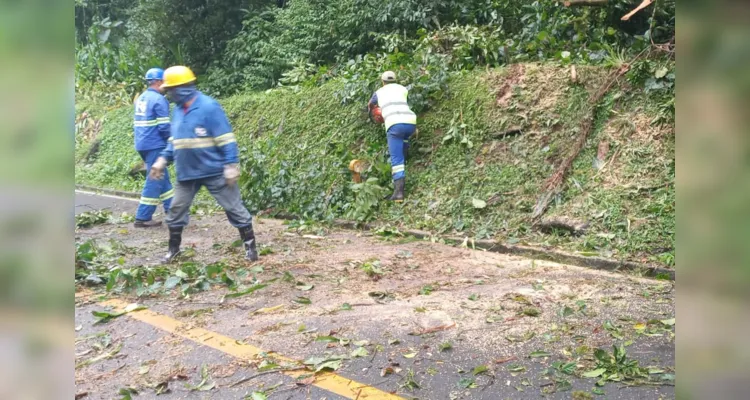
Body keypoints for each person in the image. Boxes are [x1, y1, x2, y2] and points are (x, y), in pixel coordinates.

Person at [149, 66, 259, 263]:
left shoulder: (209, 107)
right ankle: (173, 250)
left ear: (183, 88)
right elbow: (175, 141)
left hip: (214, 170)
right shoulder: (177, 111)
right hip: (187, 173)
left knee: (234, 208)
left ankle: (250, 248)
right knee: (175, 211)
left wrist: (231, 164)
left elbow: (226, 138)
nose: (169, 95)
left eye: (171, 90)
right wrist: (162, 159)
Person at [367, 71, 417, 202]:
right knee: (404, 139)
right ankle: (407, 157)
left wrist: (372, 113)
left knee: (396, 159)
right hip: (410, 122)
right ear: (395, 80)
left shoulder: (379, 92)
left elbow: (370, 105)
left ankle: (399, 193)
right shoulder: (403, 89)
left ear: (382, 81)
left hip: (394, 124)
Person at [133, 67, 174, 227]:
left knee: (163, 178)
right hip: (155, 143)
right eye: (166, 82)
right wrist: (173, 141)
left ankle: (173, 212)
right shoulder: (159, 100)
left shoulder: (142, 98)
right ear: (158, 82)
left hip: (143, 143)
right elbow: (164, 127)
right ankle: (142, 217)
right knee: (155, 178)